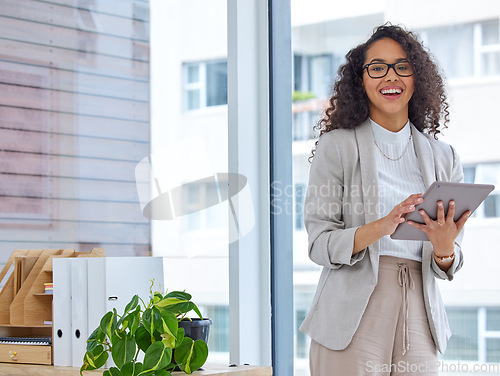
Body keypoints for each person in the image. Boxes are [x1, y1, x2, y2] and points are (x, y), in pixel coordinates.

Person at [299, 24, 471, 376]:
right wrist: (383, 226)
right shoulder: (338, 147)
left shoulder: (444, 157)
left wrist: (444, 249)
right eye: (377, 67)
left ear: (416, 77)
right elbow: (320, 244)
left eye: (402, 66)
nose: (390, 76)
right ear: (361, 80)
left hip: (420, 311)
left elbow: (450, 259)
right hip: (353, 310)